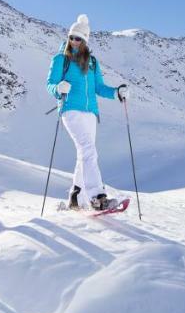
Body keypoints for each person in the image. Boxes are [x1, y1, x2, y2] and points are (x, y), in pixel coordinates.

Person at [46, 14, 127, 211]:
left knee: (85, 154)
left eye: (79, 38)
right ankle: (97, 196)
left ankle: (76, 196)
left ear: (85, 41)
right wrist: (59, 88)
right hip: (70, 109)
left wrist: (116, 93)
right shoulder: (60, 59)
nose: (74, 41)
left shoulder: (92, 63)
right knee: (89, 150)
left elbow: (99, 87)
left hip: (90, 113)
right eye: (72, 37)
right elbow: (50, 84)